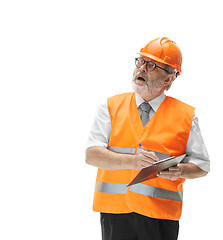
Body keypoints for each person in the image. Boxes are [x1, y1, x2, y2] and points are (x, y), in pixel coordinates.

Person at [85, 37, 210, 240]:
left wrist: (181, 170)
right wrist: (132, 161)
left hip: (161, 216)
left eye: (151, 65)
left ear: (169, 79)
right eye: (140, 61)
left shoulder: (186, 116)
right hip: (116, 213)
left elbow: (202, 165)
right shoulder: (110, 107)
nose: (141, 68)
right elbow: (92, 155)